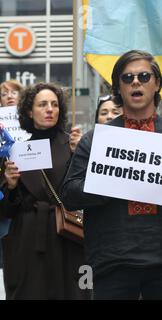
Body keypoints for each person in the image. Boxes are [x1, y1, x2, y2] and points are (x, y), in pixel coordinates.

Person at [61, 50, 162, 299]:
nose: (136, 82)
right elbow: (69, 194)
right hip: (112, 262)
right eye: (127, 78)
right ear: (119, 86)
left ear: (157, 83)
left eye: (144, 76)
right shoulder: (95, 140)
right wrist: (111, 181)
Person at [0, 82, 90, 299]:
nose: (50, 109)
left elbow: (86, 191)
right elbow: (2, 212)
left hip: (67, 237)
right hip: (29, 240)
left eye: (54, 104)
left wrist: (79, 155)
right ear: (29, 111)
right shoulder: (15, 150)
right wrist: (9, 184)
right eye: (42, 104)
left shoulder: (73, 144)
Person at [0, 80, 24, 269]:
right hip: (2, 196)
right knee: (5, 253)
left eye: (14, 92)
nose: (9, 96)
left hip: (27, 197)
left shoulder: (33, 123)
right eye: (4, 94)